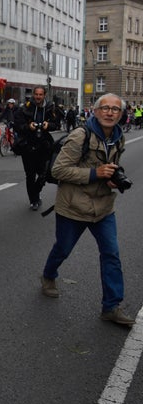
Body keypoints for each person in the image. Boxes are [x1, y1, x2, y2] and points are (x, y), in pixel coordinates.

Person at [40, 93, 135, 326]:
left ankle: (111, 306)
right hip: (73, 206)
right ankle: (48, 276)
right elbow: (58, 171)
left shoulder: (118, 137)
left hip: (103, 206)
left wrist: (112, 178)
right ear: (95, 110)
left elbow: (110, 167)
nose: (110, 112)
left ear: (121, 114)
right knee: (62, 249)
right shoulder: (80, 136)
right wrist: (95, 174)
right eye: (105, 108)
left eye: (115, 109)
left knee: (111, 254)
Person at [13, 85, 59, 211]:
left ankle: (35, 194)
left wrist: (48, 125)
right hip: (27, 145)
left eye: (41, 94)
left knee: (44, 173)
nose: (38, 97)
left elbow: (57, 124)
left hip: (44, 146)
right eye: (36, 94)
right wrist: (29, 126)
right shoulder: (25, 108)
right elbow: (17, 125)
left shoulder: (50, 107)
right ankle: (34, 200)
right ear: (33, 95)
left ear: (44, 95)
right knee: (30, 175)